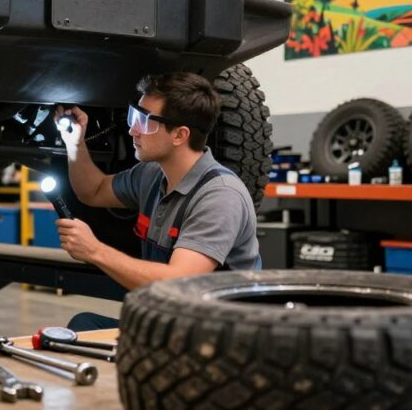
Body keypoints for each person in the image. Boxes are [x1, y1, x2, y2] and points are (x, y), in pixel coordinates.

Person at [53, 72, 260, 331]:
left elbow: (177, 283)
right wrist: (75, 144)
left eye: (144, 121)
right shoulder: (151, 175)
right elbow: (93, 191)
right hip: (174, 323)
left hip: (218, 335)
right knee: (82, 324)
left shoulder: (220, 196)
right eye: (133, 117)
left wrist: (95, 251)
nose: (133, 130)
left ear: (179, 135)